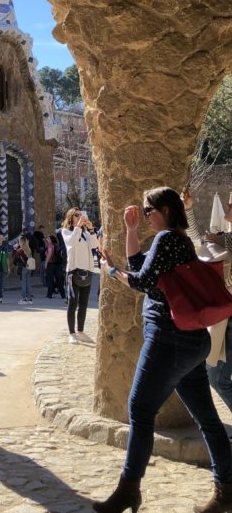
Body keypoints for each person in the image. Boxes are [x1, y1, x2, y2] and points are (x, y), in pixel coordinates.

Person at [96, 188, 232, 513]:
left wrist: (111, 272)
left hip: (169, 339)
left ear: (166, 209)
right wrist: (130, 232)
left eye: (147, 211)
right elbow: (140, 265)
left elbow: (141, 282)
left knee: (140, 410)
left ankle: (129, 489)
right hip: (190, 339)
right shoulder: (177, 240)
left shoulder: (168, 239)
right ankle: (227, 490)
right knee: (208, 419)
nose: (144, 216)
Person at [183, 189, 232, 416]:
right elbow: (196, 237)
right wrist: (189, 209)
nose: (228, 210)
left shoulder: (226, 238)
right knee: (215, 376)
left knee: (217, 378)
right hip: (225, 322)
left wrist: (221, 238)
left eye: (231, 206)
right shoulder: (224, 236)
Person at [61, 207, 98, 343]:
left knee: (83, 304)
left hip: (86, 271)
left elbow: (94, 245)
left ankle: (80, 331)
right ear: (71, 218)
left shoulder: (85, 233)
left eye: (81, 215)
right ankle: (72, 333)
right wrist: (78, 226)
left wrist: (91, 229)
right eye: (77, 215)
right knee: (73, 303)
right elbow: (72, 242)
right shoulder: (66, 232)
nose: (80, 217)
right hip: (73, 272)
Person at [13, 233, 33, 304]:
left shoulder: (20, 250)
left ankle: (24, 299)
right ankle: (30, 299)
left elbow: (15, 261)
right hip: (29, 268)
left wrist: (15, 250)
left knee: (23, 283)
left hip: (23, 268)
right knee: (28, 283)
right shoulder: (29, 249)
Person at [45, 232, 66, 299]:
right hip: (58, 264)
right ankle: (63, 295)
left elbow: (49, 254)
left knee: (50, 280)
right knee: (59, 280)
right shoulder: (56, 245)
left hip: (51, 264)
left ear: (51, 239)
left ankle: (49, 295)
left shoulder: (50, 246)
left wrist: (46, 263)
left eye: (48, 238)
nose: (47, 239)